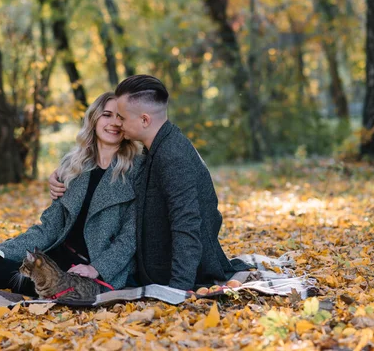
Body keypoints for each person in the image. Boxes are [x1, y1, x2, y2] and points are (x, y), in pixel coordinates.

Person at [49, 75, 249, 291]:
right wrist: (60, 173)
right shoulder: (157, 148)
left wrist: (178, 289)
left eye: (123, 118)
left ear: (144, 120)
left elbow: (187, 225)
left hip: (167, 272)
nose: (118, 123)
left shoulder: (173, 156)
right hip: (147, 264)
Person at [0, 92, 141, 295]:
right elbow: (48, 229)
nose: (114, 122)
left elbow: (130, 238)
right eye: (107, 115)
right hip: (55, 252)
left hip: (88, 267)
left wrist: (96, 268)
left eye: (120, 117)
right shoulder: (74, 166)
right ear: (94, 119)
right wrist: (0, 250)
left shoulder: (137, 171)